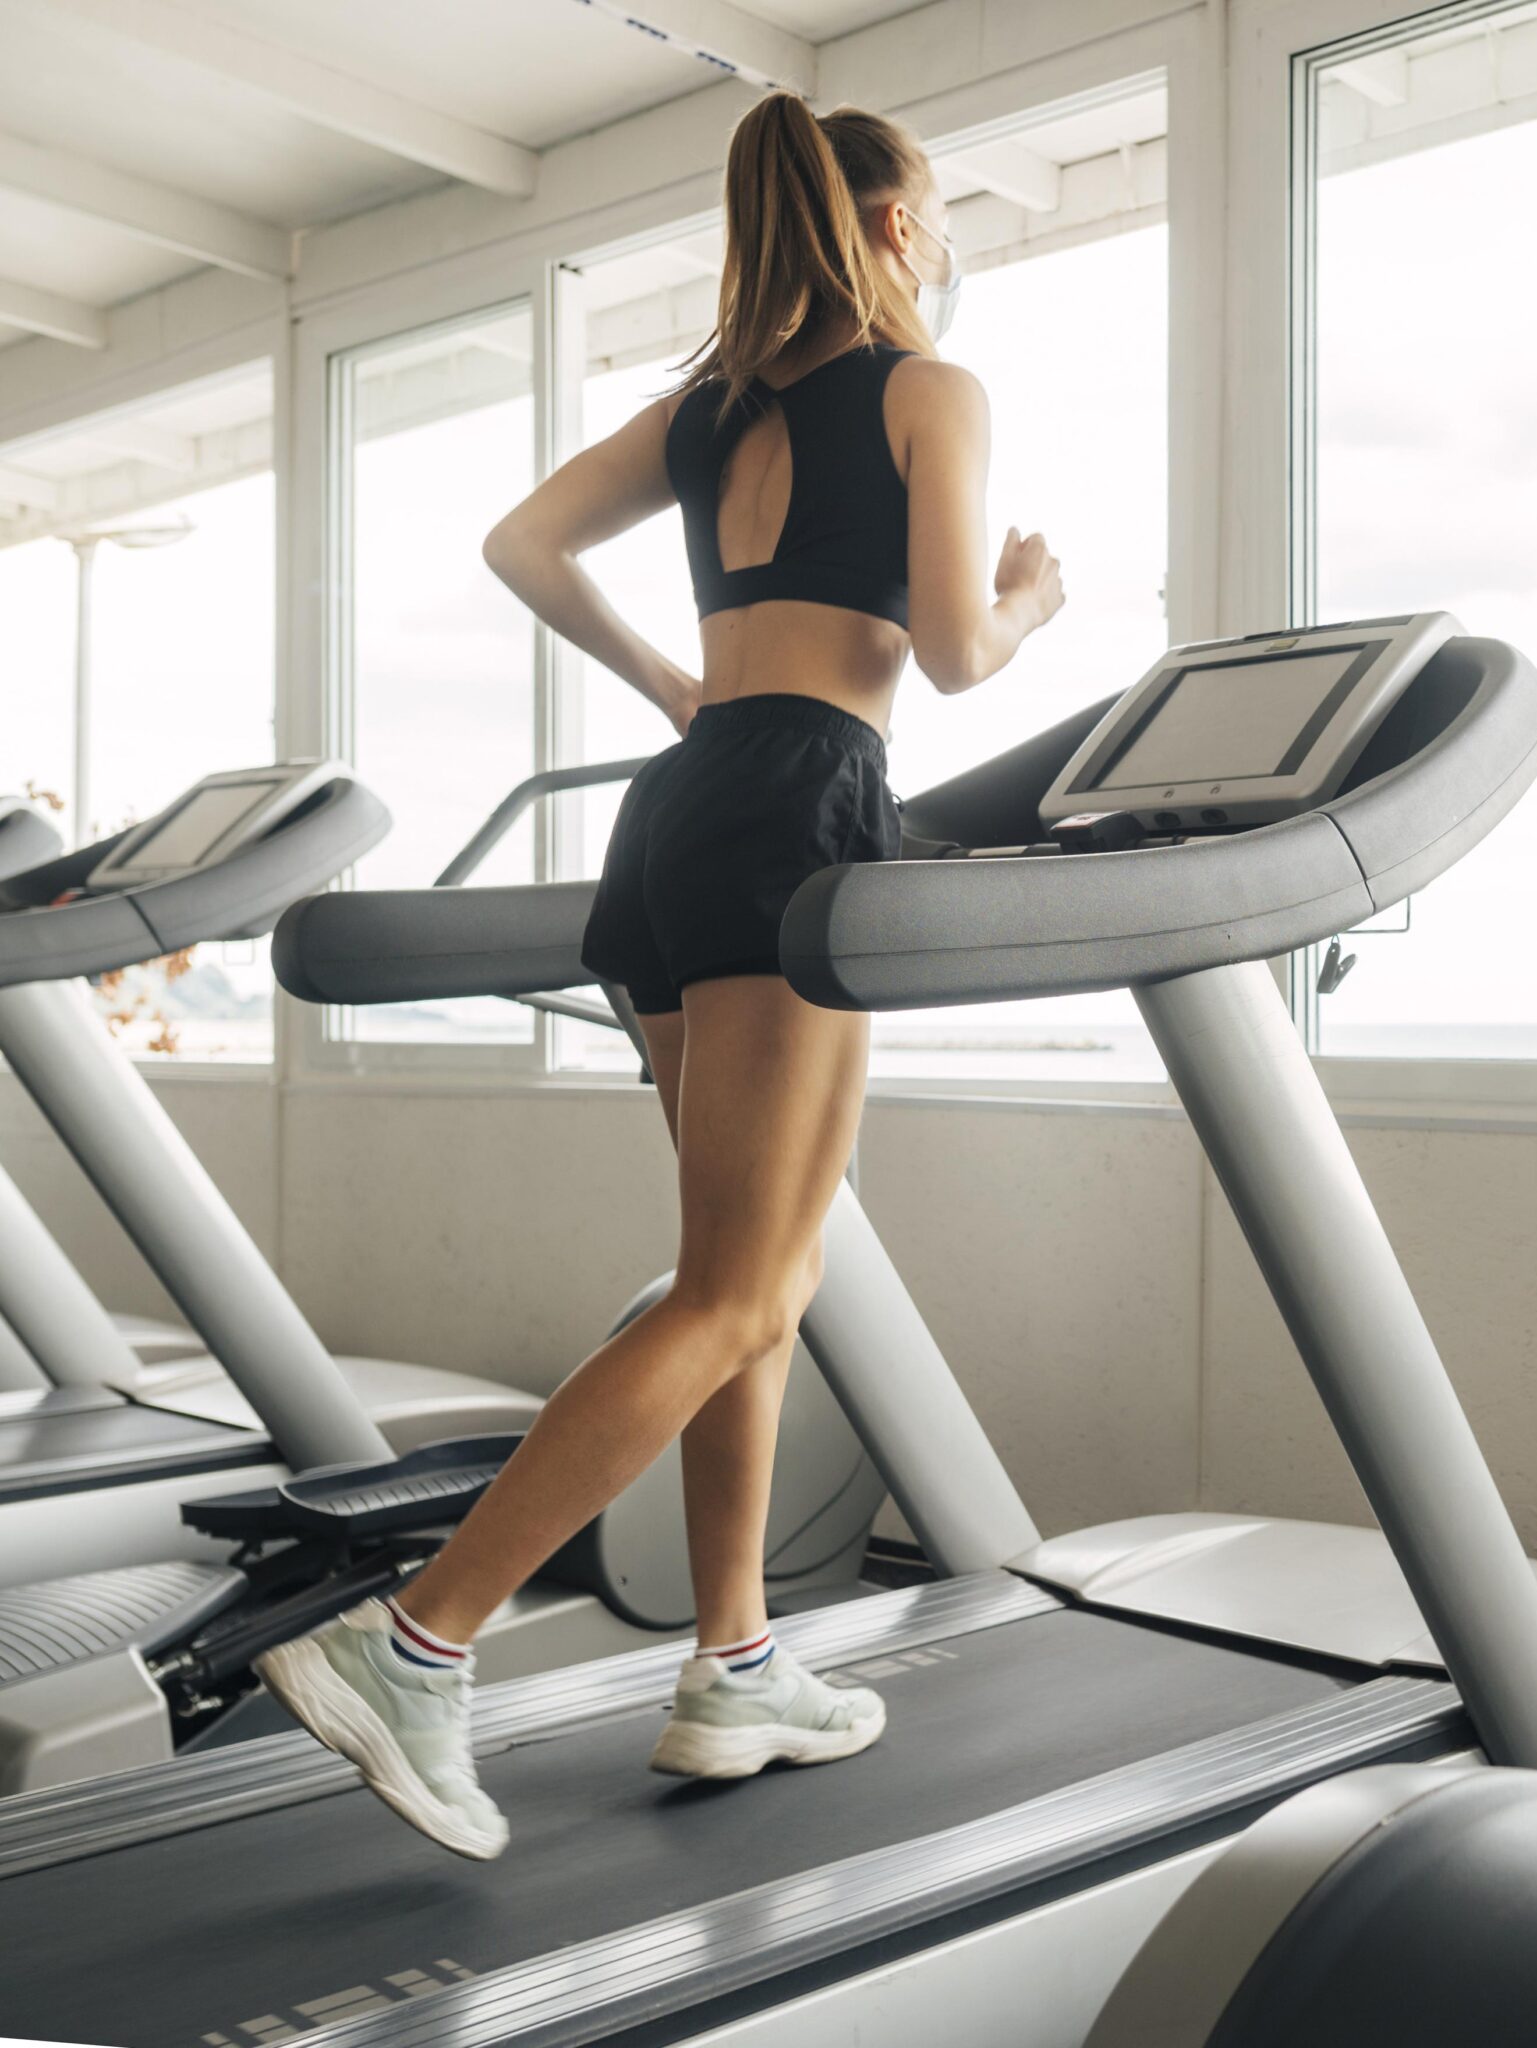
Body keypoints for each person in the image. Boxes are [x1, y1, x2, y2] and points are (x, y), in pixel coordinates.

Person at [252, 91, 1066, 1860]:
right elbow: (948, 651)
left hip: (681, 808)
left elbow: (521, 544)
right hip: (813, 801)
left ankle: (734, 1662)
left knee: (746, 1281)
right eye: (937, 216)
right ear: (900, 227)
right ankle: (417, 1643)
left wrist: (674, 692)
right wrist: (1031, 601)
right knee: (741, 1291)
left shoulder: (709, 410)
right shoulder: (933, 391)